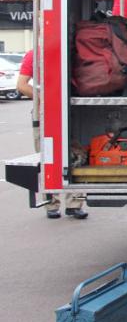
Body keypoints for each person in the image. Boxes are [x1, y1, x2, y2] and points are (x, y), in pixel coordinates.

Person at [17, 50, 89, 220]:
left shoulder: (69, 51)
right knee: (51, 158)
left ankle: (70, 204)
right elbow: (21, 84)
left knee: (73, 158)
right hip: (47, 113)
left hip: (67, 112)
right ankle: (55, 204)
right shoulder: (34, 55)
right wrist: (46, 99)